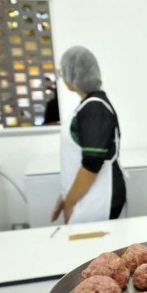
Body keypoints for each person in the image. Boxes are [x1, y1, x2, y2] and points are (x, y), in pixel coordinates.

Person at [51, 46, 126, 224]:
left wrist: (70, 201)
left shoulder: (95, 109)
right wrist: (65, 196)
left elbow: (92, 163)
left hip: (98, 198)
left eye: (64, 71)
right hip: (86, 196)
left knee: (98, 250)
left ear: (74, 74)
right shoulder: (88, 106)